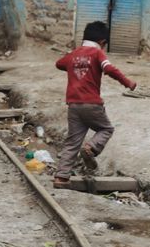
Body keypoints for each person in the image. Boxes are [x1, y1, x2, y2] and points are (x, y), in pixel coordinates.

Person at [53, 21, 137, 187]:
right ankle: (91, 147)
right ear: (102, 42)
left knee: (72, 141)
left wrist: (76, 62)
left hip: (74, 106)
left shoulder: (75, 54)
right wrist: (128, 82)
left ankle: (61, 177)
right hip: (92, 104)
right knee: (106, 129)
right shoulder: (97, 54)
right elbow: (110, 69)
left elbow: (59, 63)